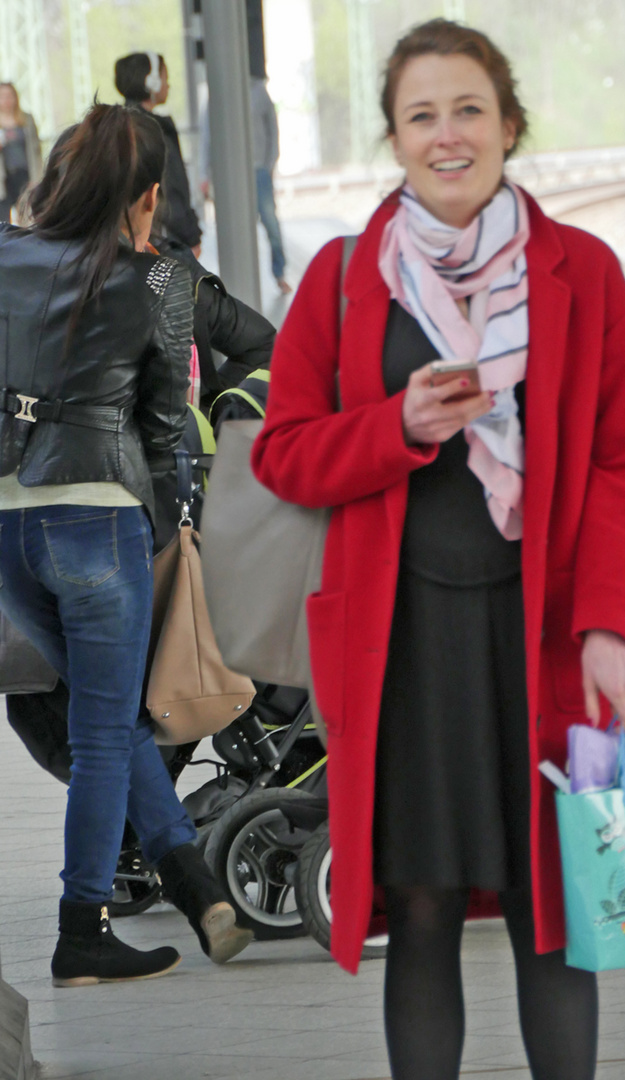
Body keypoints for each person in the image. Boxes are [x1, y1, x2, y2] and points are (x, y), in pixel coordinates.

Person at [251, 18, 625, 1080]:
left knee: (553, 903)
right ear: (393, 139)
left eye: (468, 110)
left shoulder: (586, 274)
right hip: (403, 649)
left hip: (545, 637)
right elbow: (286, 455)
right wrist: (399, 429)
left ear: (510, 125)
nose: (448, 135)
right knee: (423, 903)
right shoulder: (345, 281)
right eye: (421, 115)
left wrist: (612, 623)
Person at [0, 103, 252, 988]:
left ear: (56, 182)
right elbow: (160, 425)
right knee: (106, 729)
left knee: (108, 715)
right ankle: (82, 929)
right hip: (99, 521)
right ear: (147, 198)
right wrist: (156, 523)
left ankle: (194, 885)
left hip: (6, 528)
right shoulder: (158, 282)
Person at [200, 77, 291, 294]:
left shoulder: (259, 91)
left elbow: (272, 127)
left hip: (259, 170)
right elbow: (207, 137)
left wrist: (270, 163)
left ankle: (279, 273)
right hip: (230, 174)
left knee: (271, 223)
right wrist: (205, 174)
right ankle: (238, 281)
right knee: (238, 228)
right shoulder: (216, 94)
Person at [114, 52, 202, 256]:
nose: (168, 85)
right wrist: (190, 237)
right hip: (165, 240)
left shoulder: (117, 127)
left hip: (130, 240)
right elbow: (172, 190)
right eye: (164, 78)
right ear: (151, 82)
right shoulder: (156, 131)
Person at [0, 82, 41, 222]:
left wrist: (37, 177)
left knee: (27, 216)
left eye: (9, 96)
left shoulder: (27, 120)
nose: (6, 100)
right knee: (4, 220)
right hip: (4, 178)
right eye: (3, 96)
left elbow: (36, 151)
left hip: (24, 174)